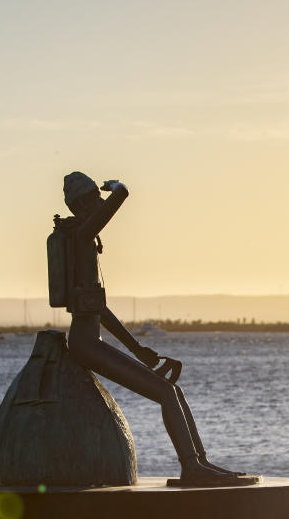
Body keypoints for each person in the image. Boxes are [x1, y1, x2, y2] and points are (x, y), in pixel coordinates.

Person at [57, 171, 256, 486]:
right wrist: (114, 187)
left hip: (87, 340)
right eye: (94, 197)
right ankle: (191, 468)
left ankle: (201, 463)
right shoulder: (82, 237)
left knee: (172, 390)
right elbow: (122, 195)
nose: (100, 202)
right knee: (164, 392)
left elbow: (98, 309)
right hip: (85, 344)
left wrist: (139, 350)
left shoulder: (81, 242)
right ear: (82, 204)